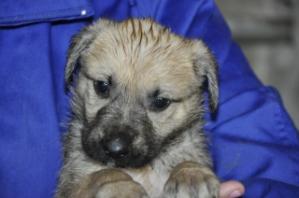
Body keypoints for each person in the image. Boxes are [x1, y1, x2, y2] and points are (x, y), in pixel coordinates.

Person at [0, 0, 298, 197]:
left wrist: (191, 173)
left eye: (158, 103)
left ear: (206, 92)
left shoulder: (175, 9)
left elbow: (270, 154)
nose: (116, 140)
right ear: (74, 65)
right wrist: (102, 183)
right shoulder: (82, 147)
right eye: (103, 88)